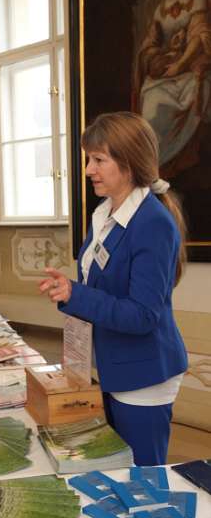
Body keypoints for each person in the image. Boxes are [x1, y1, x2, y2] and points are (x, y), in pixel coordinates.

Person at [40, 111, 188, 467]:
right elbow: (100, 286)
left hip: (144, 374)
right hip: (114, 366)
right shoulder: (105, 215)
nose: (89, 169)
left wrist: (78, 295)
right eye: (89, 159)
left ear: (129, 162)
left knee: (144, 481)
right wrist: (69, 291)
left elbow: (142, 315)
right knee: (116, 471)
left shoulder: (152, 222)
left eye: (99, 160)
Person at [133, 0, 211, 176]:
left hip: (190, 68)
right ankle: (155, 166)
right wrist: (156, 58)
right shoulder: (162, 5)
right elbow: (150, 44)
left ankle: (179, 160)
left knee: (194, 92)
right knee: (152, 103)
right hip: (165, 72)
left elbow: (199, 36)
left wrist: (180, 64)